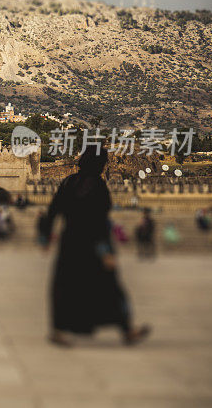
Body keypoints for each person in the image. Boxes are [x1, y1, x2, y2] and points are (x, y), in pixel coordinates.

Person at [40, 148, 150, 347]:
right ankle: (127, 329)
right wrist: (106, 251)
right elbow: (99, 220)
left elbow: (53, 210)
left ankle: (58, 330)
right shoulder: (98, 186)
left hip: (69, 244)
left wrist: (46, 237)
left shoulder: (68, 182)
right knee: (110, 287)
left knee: (64, 287)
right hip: (92, 244)